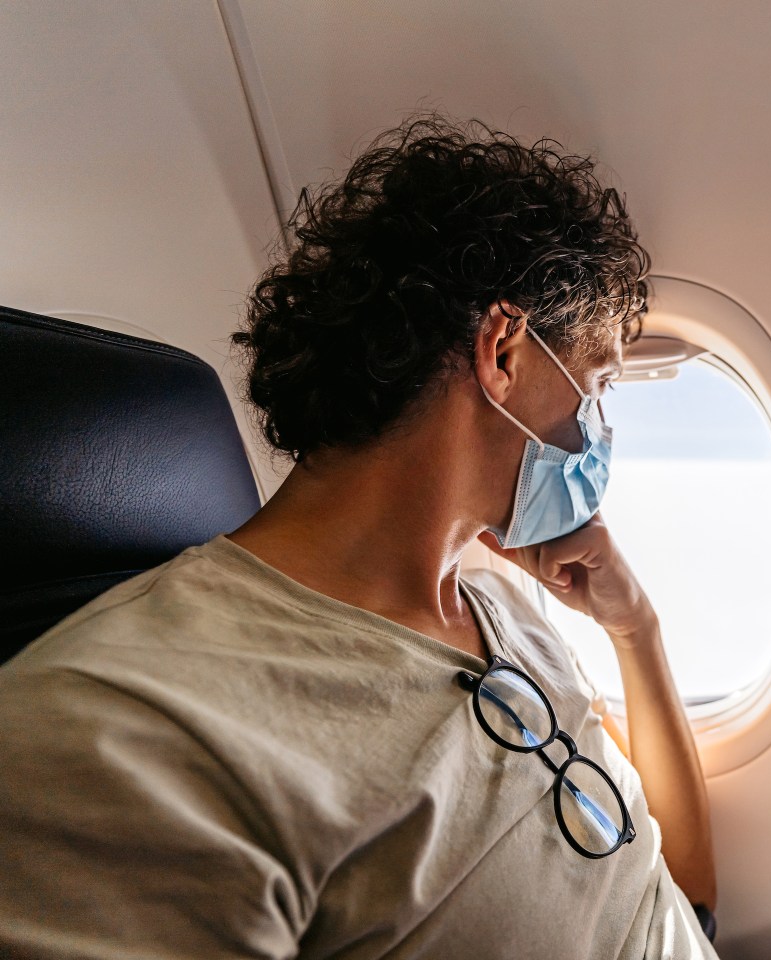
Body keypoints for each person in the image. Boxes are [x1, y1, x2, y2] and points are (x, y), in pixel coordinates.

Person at [0, 114, 717, 959]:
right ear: (503, 353)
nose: (591, 433)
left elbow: (681, 896)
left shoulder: (501, 612)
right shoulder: (122, 733)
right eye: (592, 390)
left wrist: (636, 631)